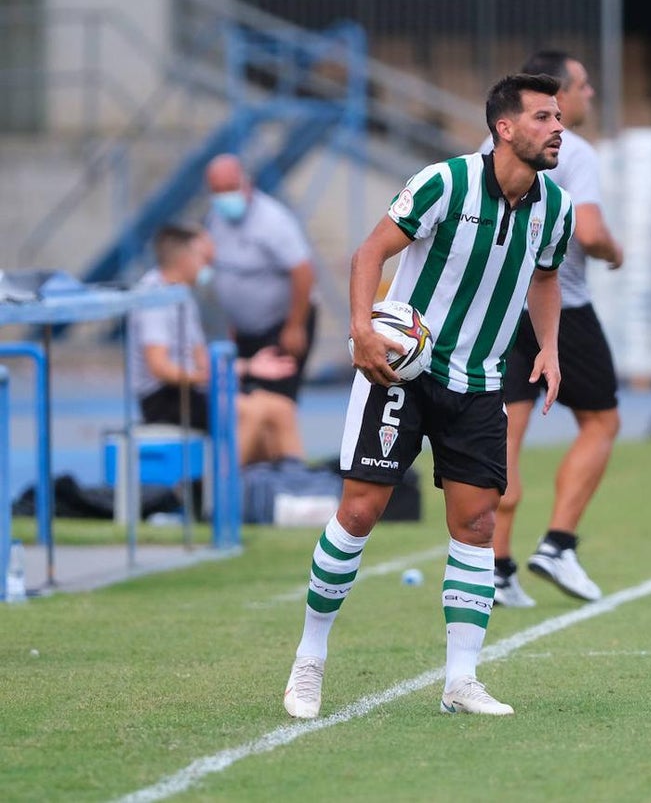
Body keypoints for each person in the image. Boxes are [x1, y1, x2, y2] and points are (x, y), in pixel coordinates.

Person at [282, 73, 573, 720]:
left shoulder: (557, 206)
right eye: (543, 117)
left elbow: (546, 278)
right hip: (404, 373)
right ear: (505, 127)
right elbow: (369, 253)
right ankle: (310, 658)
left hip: (481, 381)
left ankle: (460, 680)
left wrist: (549, 346)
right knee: (359, 512)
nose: (559, 128)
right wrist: (362, 331)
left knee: (475, 525)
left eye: (559, 117)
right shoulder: (444, 183)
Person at [483, 49, 624, 608]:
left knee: (506, 436)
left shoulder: (487, 150)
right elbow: (588, 232)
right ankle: (558, 543)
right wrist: (615, 250)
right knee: (602, 421)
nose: (586, 98)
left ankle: (495, 566)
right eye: (582, 88)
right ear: (556, 97)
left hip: (497, 307)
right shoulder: (576, 151)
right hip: (561, 306)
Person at [128, 224, 303, 466]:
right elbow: (160, 367)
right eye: (203, 258)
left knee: (281, 408)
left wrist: (248, 367)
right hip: (164, 398)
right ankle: (221, 498)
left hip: (190, 389)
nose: (209, 264)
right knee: (252, 413)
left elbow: (203, 361)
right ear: (184, 259)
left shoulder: (183, 295)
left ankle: (293, 487)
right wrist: (204, 378)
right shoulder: (155, 298)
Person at [203, 154, 318, 403]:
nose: (224, 197)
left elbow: (303, 271)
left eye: (230, 189)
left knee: (274, 404)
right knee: (241, 403)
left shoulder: (272, 220)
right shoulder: (215, 219)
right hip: (241, 331)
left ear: (246, 183)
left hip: (279, 325)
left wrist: (294, 326)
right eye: (218, 191)